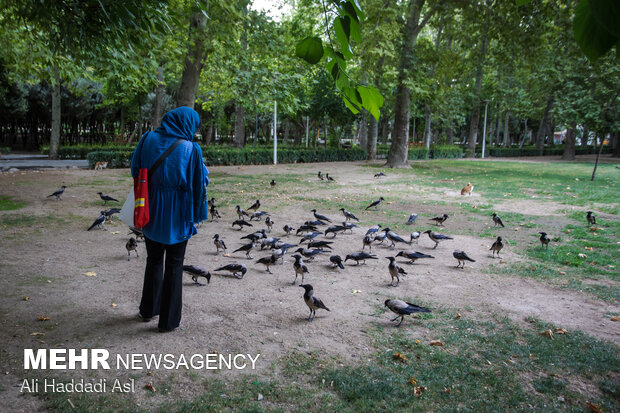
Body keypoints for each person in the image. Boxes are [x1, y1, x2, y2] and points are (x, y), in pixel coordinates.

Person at [130, 106, 209, 332]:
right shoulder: (191, 149)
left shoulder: (147, 139)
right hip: (178, 212)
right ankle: (168, 322)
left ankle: (148, 310)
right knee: (175, 264)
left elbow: (135, 168)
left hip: (150, 208)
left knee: (153, 260)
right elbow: (199, 182)